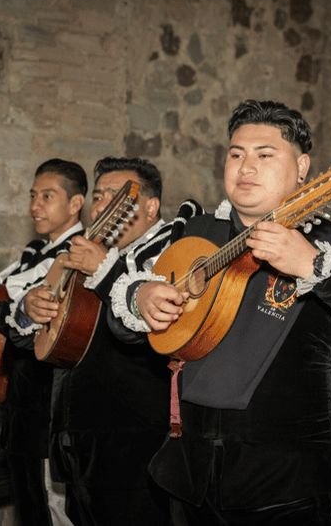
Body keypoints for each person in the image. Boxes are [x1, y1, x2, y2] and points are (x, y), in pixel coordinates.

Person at [111, 99, 331, 524]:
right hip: (188, 478)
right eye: (236, 155)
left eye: (265, 155)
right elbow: (121, 326)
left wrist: (313, 266)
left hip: (285, 487)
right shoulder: (192, 232)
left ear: (302, 168)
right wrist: (142, 298)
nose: (246, 167)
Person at [22, 156, 200, 525]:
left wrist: (106, 267)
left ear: (150, 207)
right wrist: (31, 306)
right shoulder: (83, 257)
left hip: (137, 441)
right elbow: (46, 337)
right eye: (98, 196)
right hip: (78, 436)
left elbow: (152, 324)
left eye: (115, 196)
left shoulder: (173, 247)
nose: (102, 205)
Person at [0, 158, 87, 526]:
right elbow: (2, 297)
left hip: (48, 412)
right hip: (20, 408)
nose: (34, 206)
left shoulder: (75, 259)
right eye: (32, 195)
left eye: (47, 196)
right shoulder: (30, 255)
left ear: (76, 204)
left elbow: (25, 311)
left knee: (52, 508)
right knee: (29, 505)